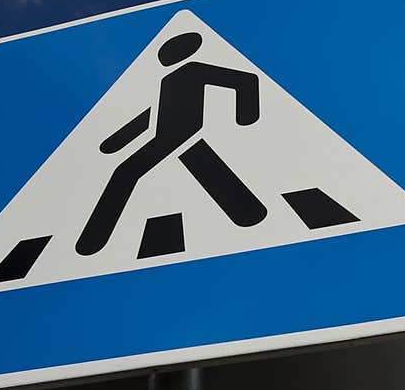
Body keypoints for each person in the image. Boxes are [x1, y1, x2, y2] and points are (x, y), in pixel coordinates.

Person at [76, 30, 267, 256]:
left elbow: (244, 80)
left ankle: (92, 242)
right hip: (172, 135)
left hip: (181, 131)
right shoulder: (168, 80)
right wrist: (116, 141)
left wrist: (246, 116)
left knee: (125, 172)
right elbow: (151, 116)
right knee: (208, 168)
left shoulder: (195, 69)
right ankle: (251, 214)